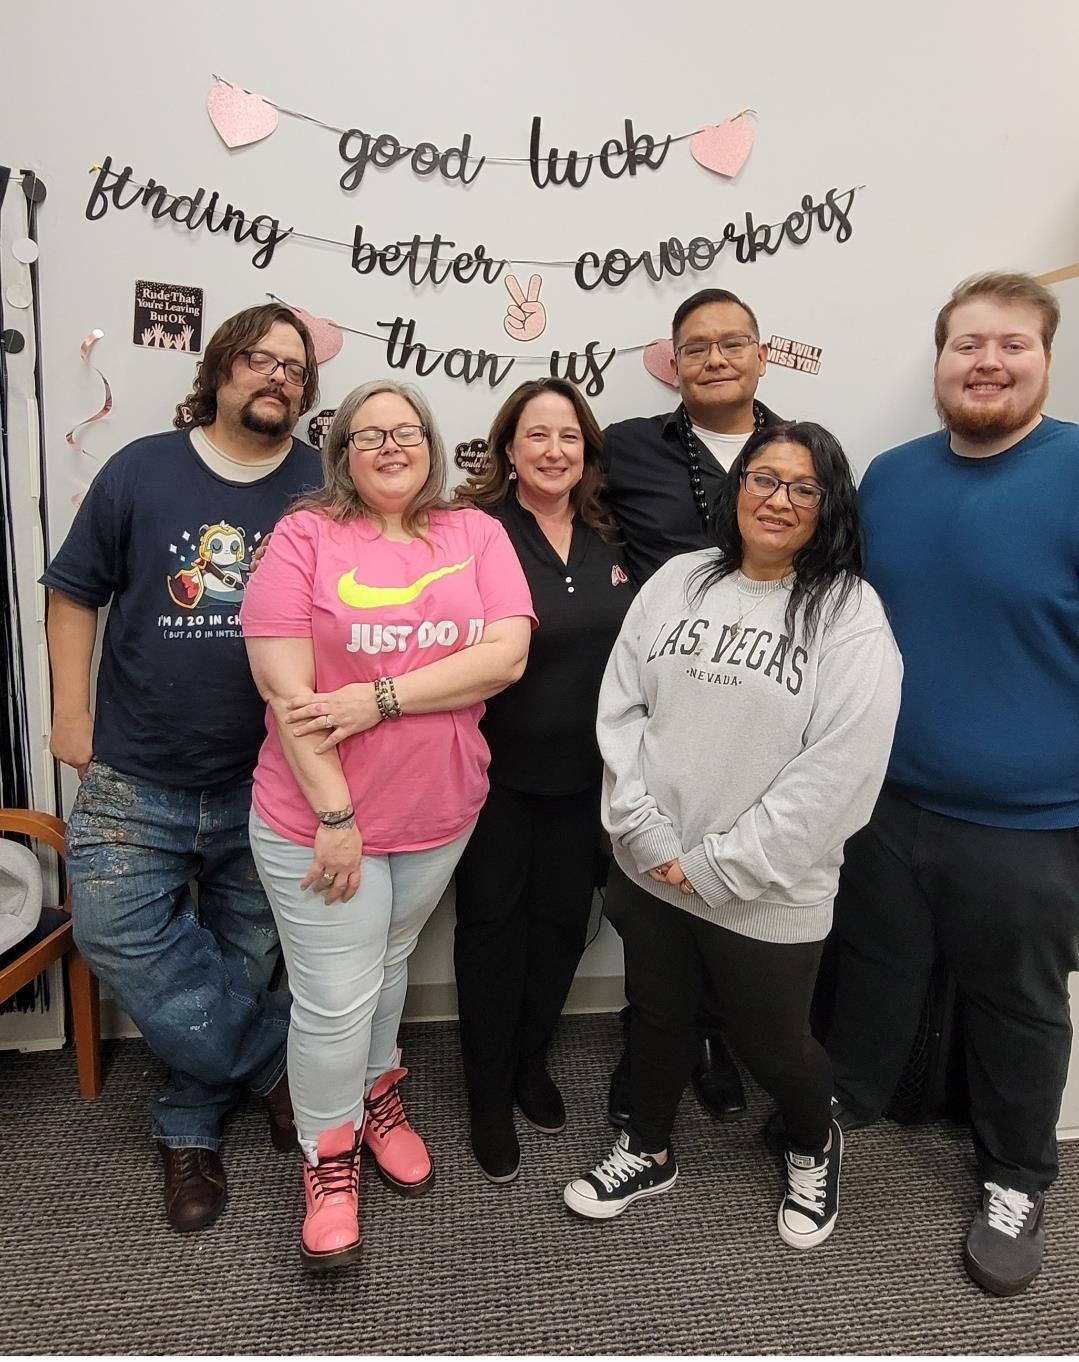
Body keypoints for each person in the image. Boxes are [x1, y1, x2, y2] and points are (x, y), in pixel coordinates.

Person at [563, 422, 902, 1250]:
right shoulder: (680, 579)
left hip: (767, 888)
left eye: (802, 487)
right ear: (736, 487)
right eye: (763, 479)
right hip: (650, 868)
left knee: (774, 1046)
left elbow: (841, 771)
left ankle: (812, 1143)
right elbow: (621, 708)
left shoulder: (848, 613)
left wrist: (720, 865)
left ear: (828, 505)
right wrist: (644, 835)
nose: (777, 499)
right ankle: (647, 1149)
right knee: (657, 1018)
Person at [822, 272, 1079, 1297]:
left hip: (1030, 819)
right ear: (937, 361)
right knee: (872, 967)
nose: (986, 362)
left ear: (1045, 358)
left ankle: (1014, 1177)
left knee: (1017, 1006)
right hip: (883, 800)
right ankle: (843, 1103)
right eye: (966, 343)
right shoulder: (888, 478)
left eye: (1011, 344)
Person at [240, 379, 534, 1273]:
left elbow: (504, 657)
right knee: (334, 999)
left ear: (431, 446)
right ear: (341, 454)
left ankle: (376, 1096)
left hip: (440, 810)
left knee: (390, 961)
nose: (389, 446)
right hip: (320, 818)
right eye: (367, 435)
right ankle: (327, 1157)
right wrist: (335, 816)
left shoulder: (474, 533)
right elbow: (287, 695)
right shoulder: (305, 536)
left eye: (405, 431)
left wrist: (377, 698)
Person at [41, 302, 322, 1232]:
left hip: (269, 775)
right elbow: (73, 592)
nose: (277, 376)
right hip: (135, 772)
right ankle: (282, 1059)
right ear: (220, 369)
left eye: (294, 366)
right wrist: (69, 714)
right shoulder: (141, 468)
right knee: (111, 931)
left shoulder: (323, 487)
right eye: (260, 359)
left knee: (244, 952)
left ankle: (188, 1125)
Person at [600, 288, 787, 1124]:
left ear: (761, 354)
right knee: (647, 884)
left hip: (763, 703)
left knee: (730, 874)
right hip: (659, 704)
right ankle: (651, 1043)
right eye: (696, 347)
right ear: (672, 364)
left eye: (731, 343)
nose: (714, 359)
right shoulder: (626, 446)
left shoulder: (799, 451)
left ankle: (712, 1036)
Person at [452, 378, 632, 1183]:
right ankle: (487, 1094)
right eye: (536, 435)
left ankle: (530, 1063)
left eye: (569, 436)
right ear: (508, 448)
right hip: (493, 777)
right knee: (491, 932)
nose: (553, 451)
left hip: (586, 780)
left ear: (587, 451)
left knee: (562, 927)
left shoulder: (614, 535)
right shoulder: (474, 531)